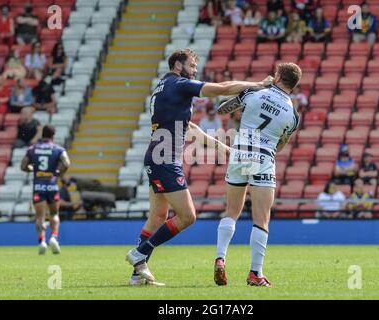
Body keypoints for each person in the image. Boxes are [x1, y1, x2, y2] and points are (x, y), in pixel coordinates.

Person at [125, 49, 273, 286]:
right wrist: (257, 84)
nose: (195, 70)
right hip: (165, 160)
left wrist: (219, 147)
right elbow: (223, 88)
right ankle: (140, 253)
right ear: (177, 66)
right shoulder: (179, 84)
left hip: (156, 156)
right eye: (192, 65)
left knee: (158, 217)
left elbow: (190, 128)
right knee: (187, 216)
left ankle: (137, 273)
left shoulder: (163, 87)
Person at [213, 62, 301, 287]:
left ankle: (221, 258)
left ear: (278, 76)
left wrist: (250, 91)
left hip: (240, 153)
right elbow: (281, 145)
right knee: (261, 218)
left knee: (232, 211)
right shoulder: (292, 114)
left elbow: (222, 109)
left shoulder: (255, 92)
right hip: (263, 157)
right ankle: (255, 273)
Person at [21, 125, 71, 255]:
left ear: (42, 134)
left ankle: (42, 241)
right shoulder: (58, 149)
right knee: (54, 214)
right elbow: (66, 163)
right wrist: (58, 173)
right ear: (53, 135)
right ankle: (54, 237)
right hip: (52, 185)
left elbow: (23, 166)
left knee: (40, 217)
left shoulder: (33, 149)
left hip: (38, 186)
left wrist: (33, 169)